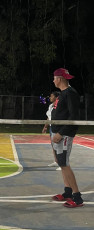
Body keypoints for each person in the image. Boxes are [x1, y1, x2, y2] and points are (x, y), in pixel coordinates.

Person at [50, 68, 83, 208]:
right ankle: (68, 192)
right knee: (61, 163)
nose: (53, 80)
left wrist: (61, 133)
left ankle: (77, 197)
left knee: (64, 163)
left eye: (54, 78)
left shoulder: (70, 94)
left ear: (60, 79)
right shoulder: (63, 93)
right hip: (58, 133)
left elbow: (74, 117)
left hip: (64, 135)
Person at [41, 91, 60, 169]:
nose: (50, 97)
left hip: (58, 127)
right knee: (53, 145)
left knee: (59, 146)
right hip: (52, 127)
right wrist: (45, 127)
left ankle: (62, 164)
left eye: (51, 96)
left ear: (56, 97)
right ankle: (56, 161)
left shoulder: (59, 106)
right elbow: (49, 117)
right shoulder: (50, 106)